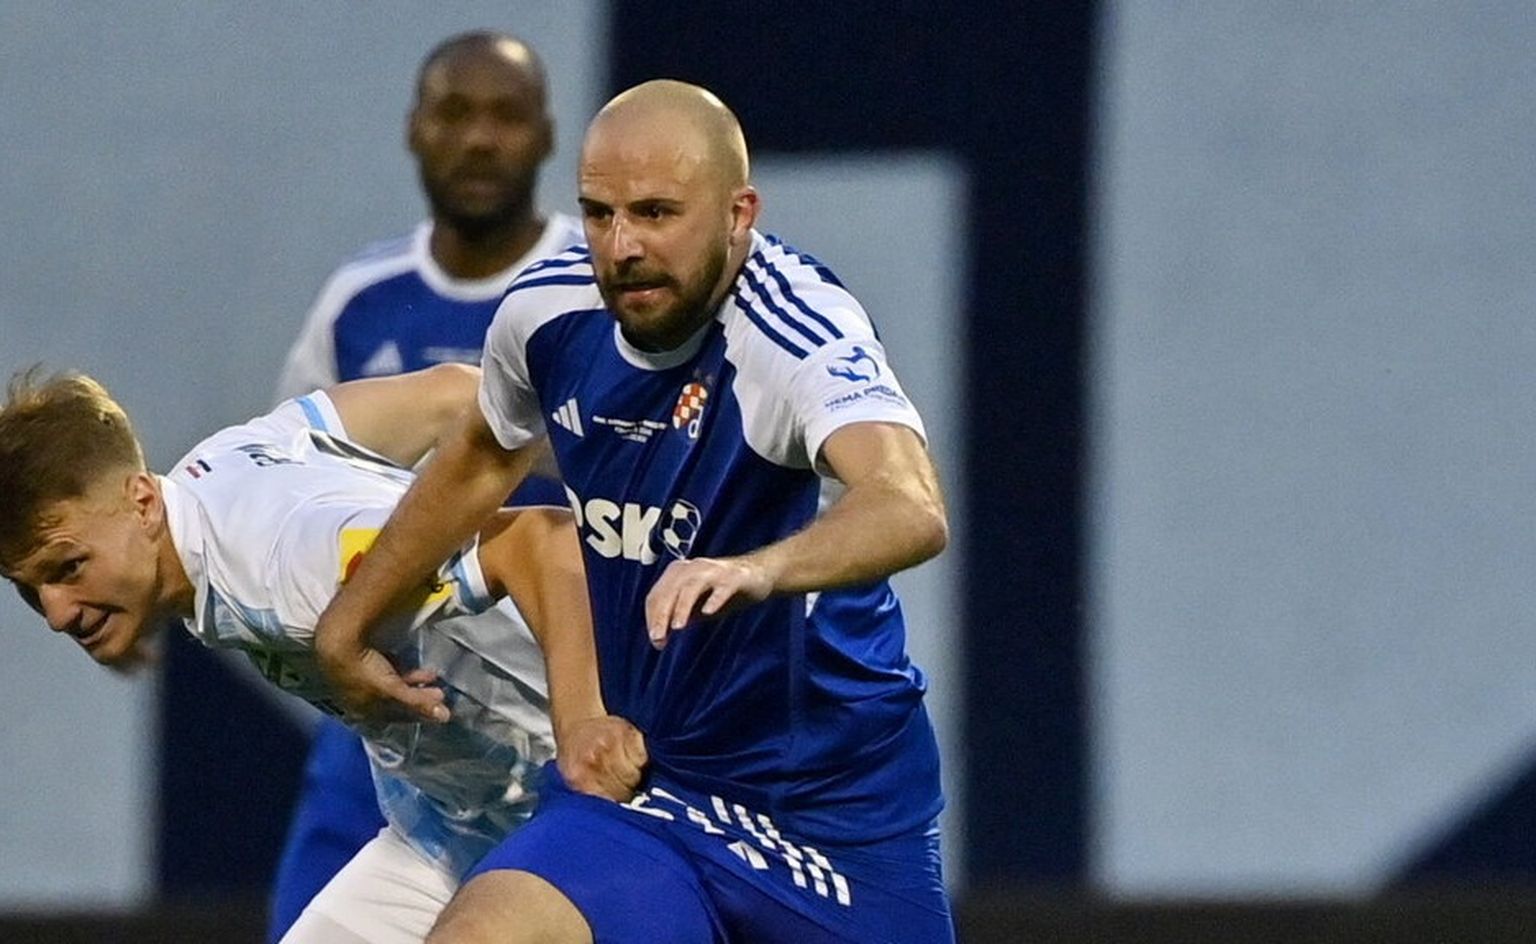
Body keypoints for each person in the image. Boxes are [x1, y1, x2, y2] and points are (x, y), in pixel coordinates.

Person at [314, 80, 956, 943]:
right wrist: (347, 624)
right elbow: (481, 458)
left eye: (656, 213)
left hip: (834, 813)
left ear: (739, 214)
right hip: (649, 785)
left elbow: (910, 504)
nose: (622, 247)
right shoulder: (548, 314)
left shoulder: (796, 331)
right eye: (599, 214)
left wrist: (757, 568)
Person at [0, 364, 644, 944]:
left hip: (589, 803)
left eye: (68, 567)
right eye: (30, 589)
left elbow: (538, 542)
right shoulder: (221, 464)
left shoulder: (282, 564)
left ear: (141, 502)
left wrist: (582, 731)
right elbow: (454, 396)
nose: (55, 613)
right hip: (450, 829)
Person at [268, 29, 585, 940]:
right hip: (387, 687)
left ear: (546, 135)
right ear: (414, 129)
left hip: (549, 692)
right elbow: (289, 482)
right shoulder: (360, 299)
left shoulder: (592, 292)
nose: (480, 139)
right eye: (455, 113)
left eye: (506, 116)